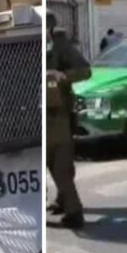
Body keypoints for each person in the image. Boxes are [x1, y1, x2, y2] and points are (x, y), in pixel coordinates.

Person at [47, 12, 91, 229]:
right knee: (55, 161)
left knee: (59, 162)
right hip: (40, 112)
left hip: (57, 112)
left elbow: (85, 70)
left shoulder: (60, 45)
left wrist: (61, 76)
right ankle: (64, 200)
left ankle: (74, 211)